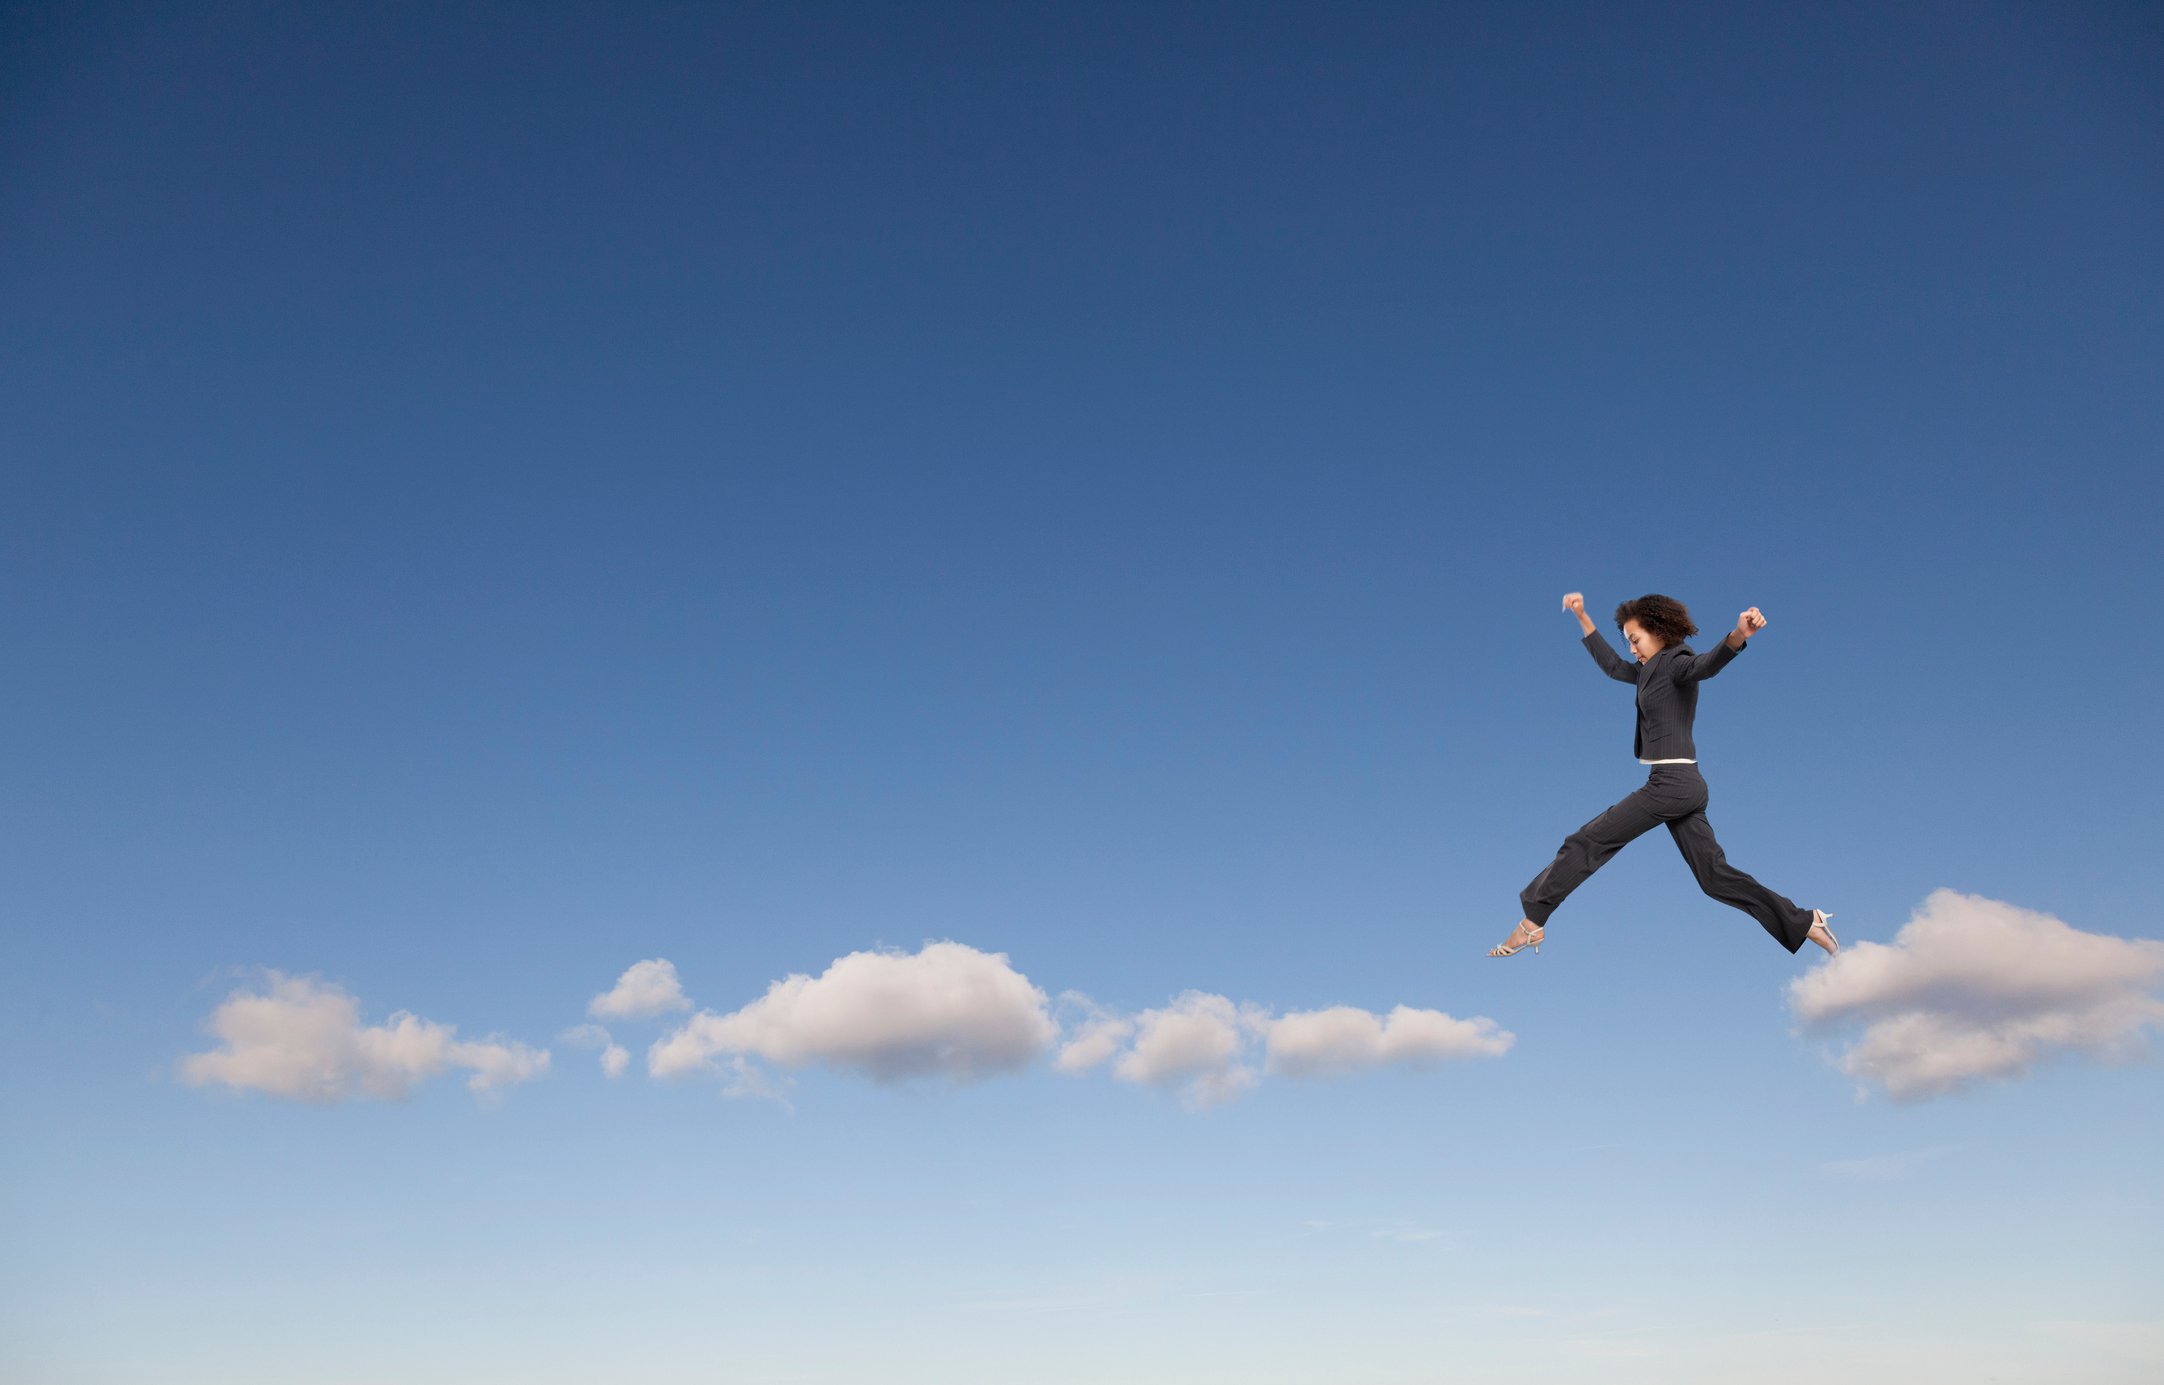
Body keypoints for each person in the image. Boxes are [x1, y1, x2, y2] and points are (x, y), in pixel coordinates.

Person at [1488, 592, 1838, 960]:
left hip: (1672, 784)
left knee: (1586, 842)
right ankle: (1804, 921)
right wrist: (1582, 616)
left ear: (1658, 632)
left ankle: (1531, 923)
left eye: (1636, 639)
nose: (1633, 649)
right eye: (1629, 642)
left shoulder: (1677, 663)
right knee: (1714, 877)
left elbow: (1707, 664)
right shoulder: (1646, 672)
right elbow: (1611, 666)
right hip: (1685, 785)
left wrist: (1738, 635)